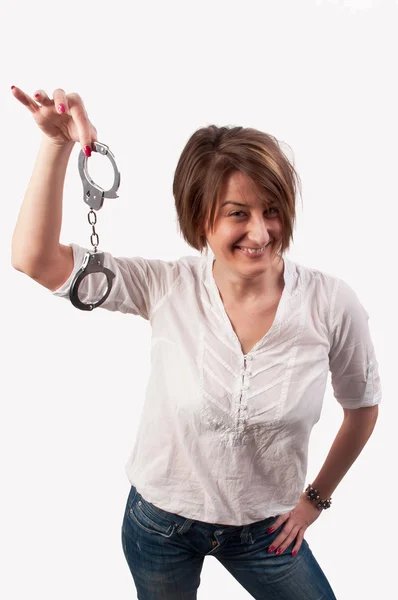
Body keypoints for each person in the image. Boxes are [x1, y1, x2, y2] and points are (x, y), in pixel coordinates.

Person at [11, 86, 381, 600]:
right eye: (237, 213)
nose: (261, 231)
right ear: (200, 217)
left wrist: (314, 501)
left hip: (265, 531)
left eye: (272, 209)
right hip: (160, 524)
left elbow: (362, 408)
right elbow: (36, 260)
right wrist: (57, 146)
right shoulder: (167, 287)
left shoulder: (331, 303)